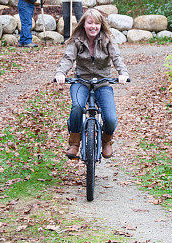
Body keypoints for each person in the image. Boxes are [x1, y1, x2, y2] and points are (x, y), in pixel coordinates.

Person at [54, 9, 129, 160]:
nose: (93, 26)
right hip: (81, 81)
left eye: (96, 23)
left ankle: (106, 141)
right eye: (90, 23)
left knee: (111, 118)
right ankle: (74, 142)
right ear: (84, 24)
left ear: (101, 25)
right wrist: (61, 73)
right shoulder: (77, 40)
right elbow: (68, 58)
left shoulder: (108, 39)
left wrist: (123, 74)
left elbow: (117, 58)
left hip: (103, 83)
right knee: (77, 106)